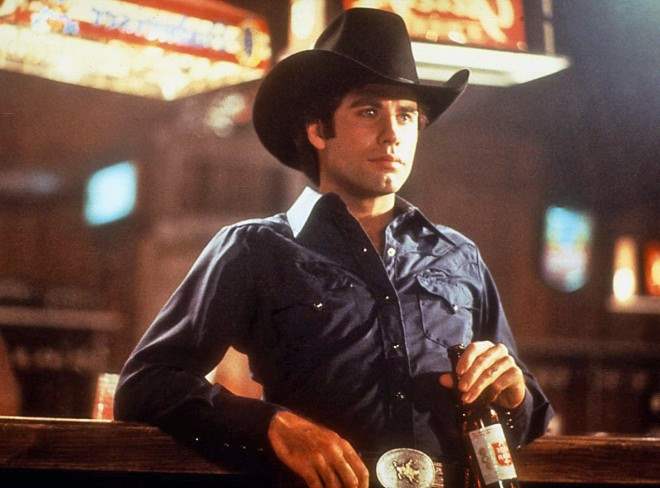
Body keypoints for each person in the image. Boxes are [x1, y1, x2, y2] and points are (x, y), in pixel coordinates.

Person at [115, 8, 553, 488]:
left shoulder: (458, 255)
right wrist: (272, 426)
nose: (393, 134)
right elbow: (146, 384)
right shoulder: (255, 249)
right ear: (318, 130)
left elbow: (530, 420)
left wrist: (516, 396)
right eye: (369, 111)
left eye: (406, 115)